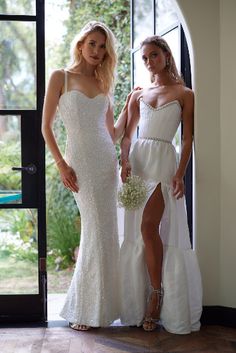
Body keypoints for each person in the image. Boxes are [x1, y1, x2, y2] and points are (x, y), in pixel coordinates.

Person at [41, 21, 129, 331]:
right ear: (81, 44)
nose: (97, 51)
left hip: (106, 162)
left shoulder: (103, 83)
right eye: (92, 44)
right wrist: (62, 165)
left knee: (104, 232)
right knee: (95, 228)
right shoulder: (60, 77)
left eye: (103, 46)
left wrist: (130, 105)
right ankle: (86, 308)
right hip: (79, 163)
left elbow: (113, 134)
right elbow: (46, 127)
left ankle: (100, 308)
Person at [119, 35, 202, 333]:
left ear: (166, 55)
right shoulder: (139, 94)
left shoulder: (185, 93)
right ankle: (141, 296)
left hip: (163, 163)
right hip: (139, 163)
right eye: (144, 58)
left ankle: (157, 295)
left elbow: (188, 138)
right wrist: (124, 159)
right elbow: (127, 135)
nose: (149, 62)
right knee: (138, 231)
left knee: (148, 226)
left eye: (154, 55)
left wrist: (180, 172)